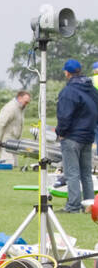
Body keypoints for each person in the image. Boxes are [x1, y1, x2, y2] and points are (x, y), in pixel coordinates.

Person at [56, 58, 98, 214]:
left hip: (72, 137)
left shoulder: (68, 91)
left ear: (67, 73)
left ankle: (73, 206)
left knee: (71, 173)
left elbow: (64, 115)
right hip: (88, 136)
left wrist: (61, 132)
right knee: (86, 173)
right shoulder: (92, 89)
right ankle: (89, 206)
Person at [0, 90, 31, 167]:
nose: (26, 104)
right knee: (9, 164)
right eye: (25, 102)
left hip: (14, 141)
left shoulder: (20, 108)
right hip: (5, 141)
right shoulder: (11, 108)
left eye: (28, 103)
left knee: (15, 165)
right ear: (19, 98)